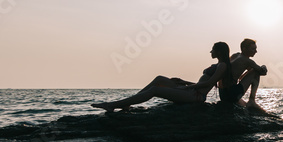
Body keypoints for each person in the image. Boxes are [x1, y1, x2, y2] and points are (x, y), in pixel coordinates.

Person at [91, 42, 235, 112]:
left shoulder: (222, 65)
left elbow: (209, 83)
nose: (210, 51)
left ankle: (112, 105)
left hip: (195, 96)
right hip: (191, 90)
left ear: (218, 51)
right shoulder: (219, 64)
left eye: (213, 49)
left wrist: (188, 87)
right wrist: (183, 81)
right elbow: (205, 82)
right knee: (159, 78)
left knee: (155, 90)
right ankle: (127, 103)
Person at [226, 38, 268, 112]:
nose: (256, 51)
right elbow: (262, 72)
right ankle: (252, 100)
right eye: (253, 49)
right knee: (255, 72)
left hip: (224, 94)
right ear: (244, 49)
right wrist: (264, 66)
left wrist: (243, 75)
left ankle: (248, 101)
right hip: (232, 94)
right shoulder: (247, 60)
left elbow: (241, 70)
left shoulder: (235, 56)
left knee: (243, 104)